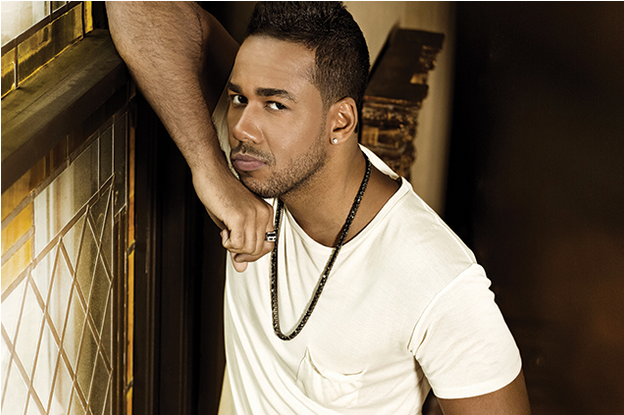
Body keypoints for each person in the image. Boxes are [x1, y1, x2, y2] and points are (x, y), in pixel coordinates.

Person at [106, 2, 532, 414]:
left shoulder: (438, 279)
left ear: (340, 122)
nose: (241, 128)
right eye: (238, 98)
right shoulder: (254, 164)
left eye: (275, 104)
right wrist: (209, 169)